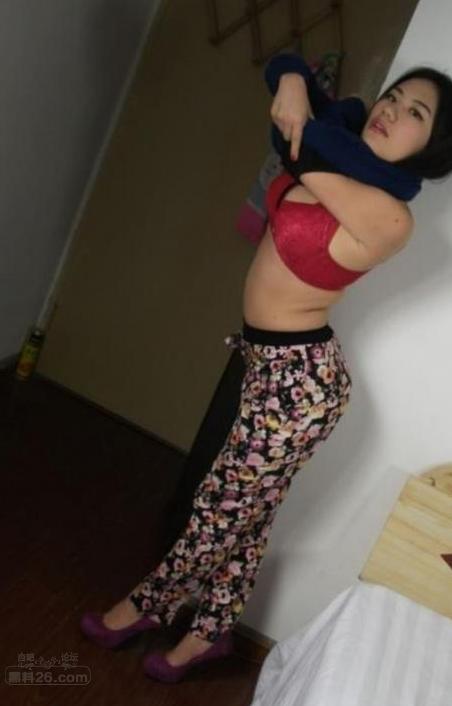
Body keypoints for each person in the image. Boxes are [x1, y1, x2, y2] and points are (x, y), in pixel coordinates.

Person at [80, 54, 452, 683]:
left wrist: (297, 103)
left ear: (433, 147)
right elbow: (292, 93)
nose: (390, 110)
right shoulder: (341, 157)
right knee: (247, 515)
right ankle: (209, 635)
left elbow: (298, 146)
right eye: (392, 96)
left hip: (298, 386)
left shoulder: (392, 214)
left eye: (415, 113)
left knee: (219, 508)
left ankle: (141, 609)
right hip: (269, 366)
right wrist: (293, 79)